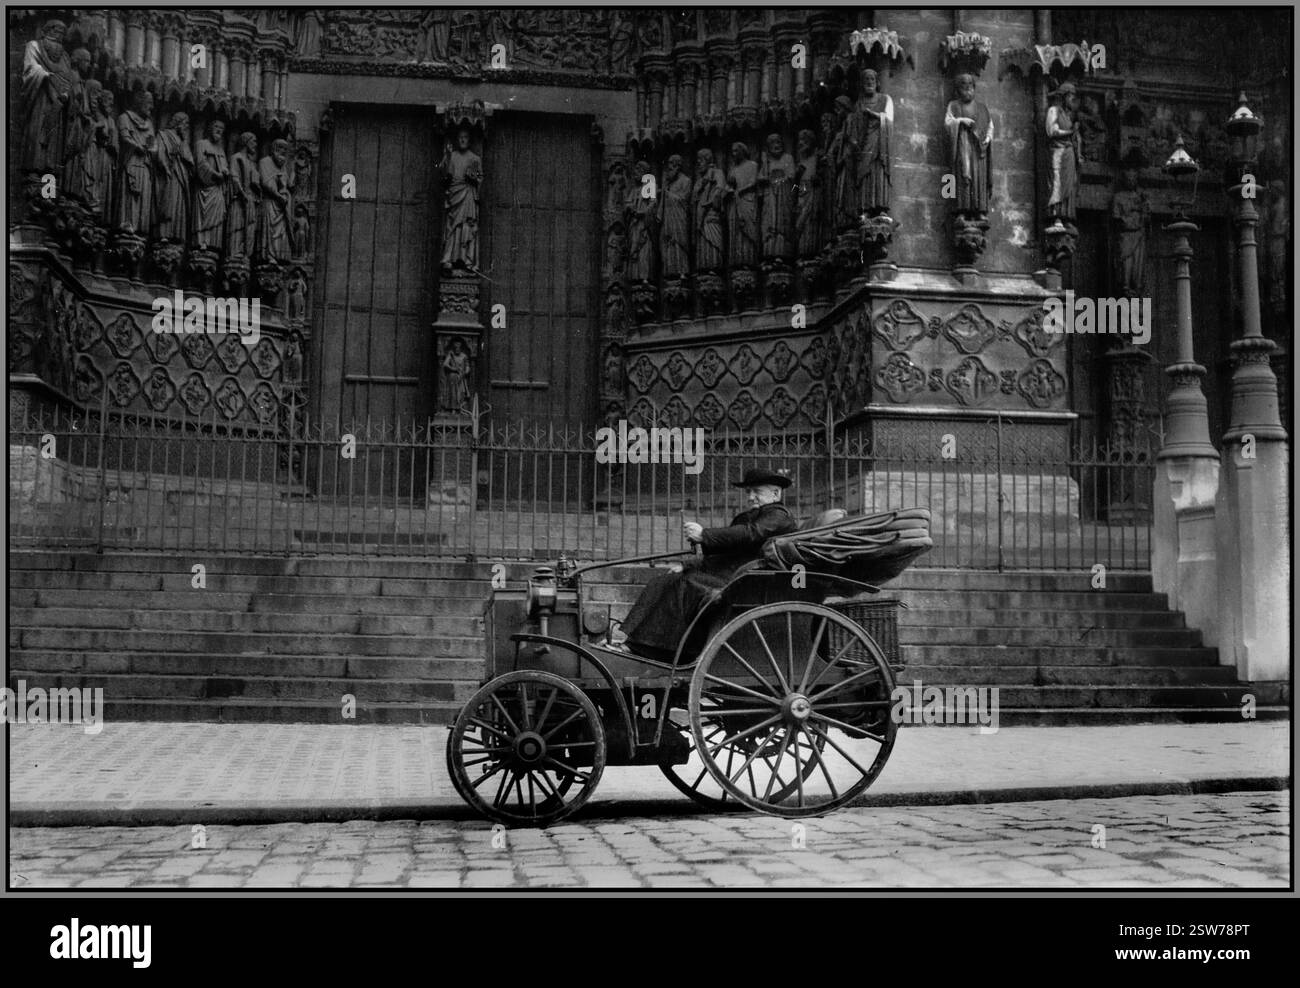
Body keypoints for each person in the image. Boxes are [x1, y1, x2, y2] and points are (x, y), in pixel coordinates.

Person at [616, 468, 798, 660]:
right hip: (736, 577)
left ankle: (647, 648)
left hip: (753, 583)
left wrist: (704, 535)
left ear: (776, 493)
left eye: (756, 492)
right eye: (748, 492)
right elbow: (727, 553)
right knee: (662, 581)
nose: (751, 497)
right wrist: (688, 565)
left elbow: (750, 533)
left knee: (686, 583)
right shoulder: (752, 516)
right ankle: (626, 637)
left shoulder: (779, 515)